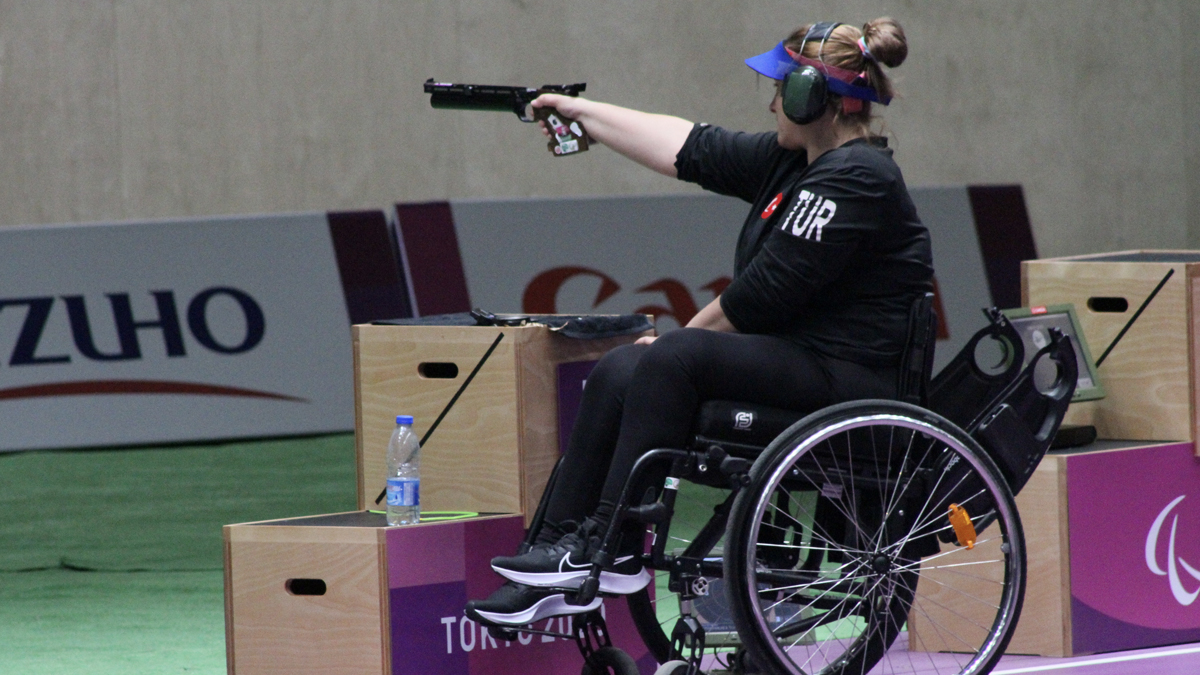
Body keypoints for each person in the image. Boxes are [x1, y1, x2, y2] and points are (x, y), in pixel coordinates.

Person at [465, 17, 933, 627]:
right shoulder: (796, 162)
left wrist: (678, 341)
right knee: (619, 367)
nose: (770, 103)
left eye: (780, 89)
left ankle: (607, 547)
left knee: (672, 357)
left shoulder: (858, 177)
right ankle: (553, 549)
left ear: (811, 97)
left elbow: (759, 297)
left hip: (852, 378)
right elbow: (688, 146)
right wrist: (581, 112)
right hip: (803, 362)